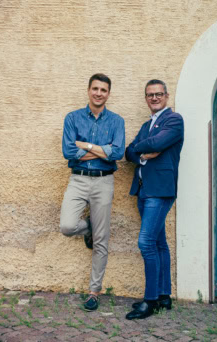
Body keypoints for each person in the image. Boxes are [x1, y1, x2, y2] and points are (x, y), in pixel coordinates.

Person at [59, 73, 125, 311]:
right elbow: (68, 151)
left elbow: (117, 154)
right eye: (95, 89)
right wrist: (102, 150)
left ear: (109, 93)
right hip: (78, 179)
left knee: (102, 241)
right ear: (88, 90)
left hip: (103, 181)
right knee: (67, 226)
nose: (99, 93)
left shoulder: (117, 121)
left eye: (103, 90)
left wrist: (84, 145)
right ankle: (90, 226)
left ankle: (94, 292)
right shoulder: (73, 118)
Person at [124, 79, 184, 320]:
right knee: (159, 244)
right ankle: (163, 295)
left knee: (146, 243)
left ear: (166, 96)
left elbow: (158, 142)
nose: (154, 98)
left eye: (159, 94)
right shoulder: (146, 125)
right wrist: (143, 154)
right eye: (150, 95)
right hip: (143, 190)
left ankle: (149, 301)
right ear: (146, 98)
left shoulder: (174, 120)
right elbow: (129, 152)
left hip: (160, 190)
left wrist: (145, 146)